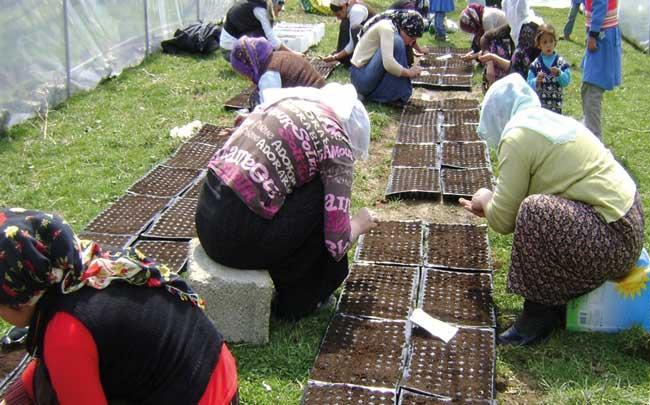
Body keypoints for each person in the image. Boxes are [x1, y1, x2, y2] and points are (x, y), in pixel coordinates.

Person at [461, 74, 644, 346]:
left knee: (534, 212)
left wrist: (485, 198)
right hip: (628, 226)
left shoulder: (516, 137)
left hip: (612, 241)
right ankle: (558, 303)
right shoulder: (547, 121)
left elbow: (502, 219)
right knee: (541, 212)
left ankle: (537, 317)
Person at [0, 208, 238, 404]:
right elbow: (43, 371)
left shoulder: (65, 331)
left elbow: (61, 360)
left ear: (19, 298)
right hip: (213, 374)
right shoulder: (85, 268)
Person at [195, 84, 379, 320]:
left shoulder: (286, 105)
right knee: (321, 198)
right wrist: (359, 223)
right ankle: (300, 299)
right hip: (233, 241)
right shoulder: (336, 142)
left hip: (206, 217)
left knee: (302, 188)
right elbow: (336, 244)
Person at [350, 10, 426, 105]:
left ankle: (394, 94)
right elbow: (389, 64)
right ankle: (392, 95)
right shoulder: (387, 28)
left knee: (397, 44)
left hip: (365, 74)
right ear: (403, 29)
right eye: (411, 38)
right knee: (398, 42)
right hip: (360, 78)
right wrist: (409, 72)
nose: (411, 43)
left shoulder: (394, 27)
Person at [230, 36, 326, 107]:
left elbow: (269, 109)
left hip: (315, 107)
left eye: (242, 72)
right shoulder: (278, 56)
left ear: (249, 66)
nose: (244, 76)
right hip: (319, 97)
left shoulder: (269, 75)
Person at [581, 0, 621, 140]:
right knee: (587, 88)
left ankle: (594, 137)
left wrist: (593, 34)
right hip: (600, 34)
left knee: (593, 89)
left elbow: (600, 5)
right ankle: (588, 127)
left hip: (601, 38)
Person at [476, 0, 543, 80]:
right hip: (526, 76)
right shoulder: (517, 25)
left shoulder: (528, 31)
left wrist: (492, 57)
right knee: (495, 42)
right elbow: (486, 37)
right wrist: (489, 63)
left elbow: (516, 70)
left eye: (507, 9)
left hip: (534, 80)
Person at [219, 0, 300, 61]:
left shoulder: (257, 3)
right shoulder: (261, 10)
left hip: (229, 47)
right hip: (230, 52)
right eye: (278, 10)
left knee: (264, 39)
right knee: (268, 56)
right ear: (274, 4)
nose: (277, 15)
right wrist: (293, 54)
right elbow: (273, 41)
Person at [458, 3, 511, 90]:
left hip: (506, 38)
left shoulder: (486, 20)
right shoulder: (480, 16)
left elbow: (488, 46)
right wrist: (471, 54)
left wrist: (473, 57)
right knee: (478, 51)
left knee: (487, 59)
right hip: (498, 38)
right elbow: (482, 45)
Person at [527, 24, 571, 114]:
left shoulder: (560, 62)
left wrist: (559, 74)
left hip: (556, 109)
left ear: (555, 42)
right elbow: (528, 85)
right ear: (539, 45)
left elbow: (566, 81)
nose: (548, 45)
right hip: (540, 109)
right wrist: (536, 80)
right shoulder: (536, 65)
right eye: (545, 42)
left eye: (551, 41)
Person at [324, 0, 376, 66]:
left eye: (338, 14)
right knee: (344, 22)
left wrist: (335, 57)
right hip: (365, 36)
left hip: (372, 43)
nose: (338, 18)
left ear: (343, 7)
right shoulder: (348, 8)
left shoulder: (356, 12)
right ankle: (343, 56)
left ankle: (357, 61)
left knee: (351, 27)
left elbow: (352, 45)